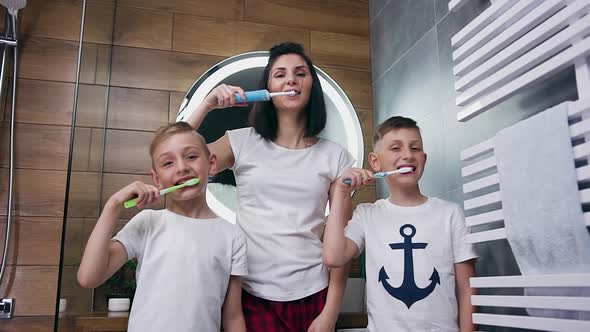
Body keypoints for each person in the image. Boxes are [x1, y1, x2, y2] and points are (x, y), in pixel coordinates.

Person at [185, 42, 355, 331]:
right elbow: (180, 163)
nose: (291, 79)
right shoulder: (241, 142)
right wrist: (207, 104)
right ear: (268, 88)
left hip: (313, 294)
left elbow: (340, 241)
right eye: (280, 74)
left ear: (312, 86)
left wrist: (330, 313)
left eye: (300, 73)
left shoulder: (336, 156)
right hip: (250, 296)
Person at [77, 122, 247, 332]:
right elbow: (88, 277)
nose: (182, 167)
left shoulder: (232, 236)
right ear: (157, 179)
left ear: (211, 164)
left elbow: (232, 316)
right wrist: (112, 205)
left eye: (191, 157)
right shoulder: (147, 222)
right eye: (168, 163)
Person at [323, 116, 478, 331]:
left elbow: (467, 288)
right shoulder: (367, 215)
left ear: (424, 158)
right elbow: (333, 257)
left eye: (415, 148)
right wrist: (340, 192)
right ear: (375, 162)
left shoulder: (450, 214)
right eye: (395, 148)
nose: (407, 155)